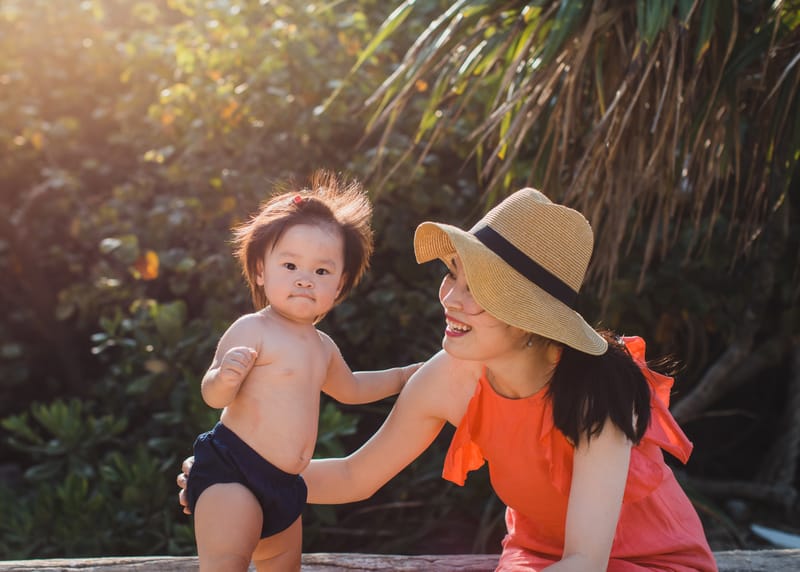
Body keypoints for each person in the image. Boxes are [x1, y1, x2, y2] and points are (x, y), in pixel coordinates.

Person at [180, 187, 717, 571]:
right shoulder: (451, 377)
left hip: (646, 562)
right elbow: (354, 476)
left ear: (531, 316)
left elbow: (586, 560)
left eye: (477, 290)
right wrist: (239, 476)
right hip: (536, 560)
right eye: (452, 275)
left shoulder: (598, 393)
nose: (449, 299)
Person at [184, 170, 420, 572]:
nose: (305, 280)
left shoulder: (322, 347)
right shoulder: (253, 329)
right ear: (261, 270)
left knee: (283, 564)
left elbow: (351, 389)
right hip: (232, 473)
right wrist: (225, 377)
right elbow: (213, 396)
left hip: (286, 485)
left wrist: (401, 377)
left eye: (322, 272)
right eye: (290, 265)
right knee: (228, 562)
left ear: (340, 285)